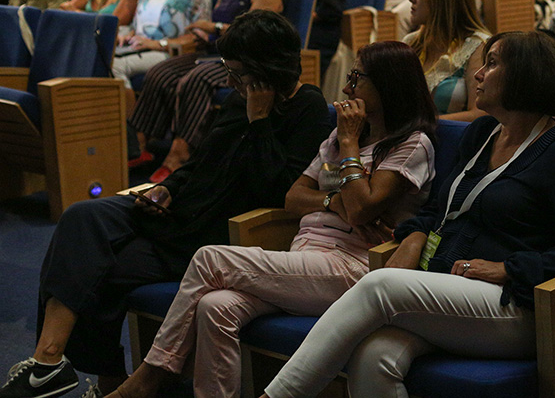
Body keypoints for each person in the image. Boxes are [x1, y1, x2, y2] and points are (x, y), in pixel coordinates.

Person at [259, 30, 555, 398]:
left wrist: (509, 269)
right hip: (452, 287)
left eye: (491, 64)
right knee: (373, 355)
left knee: (379, 284)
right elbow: (440, 209)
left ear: (525, 76)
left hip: (514, 305)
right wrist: (413, 237)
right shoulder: (483, 134)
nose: (478, 73)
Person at [0, 11, 331, 398]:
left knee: (100, 269)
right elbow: (199, 161)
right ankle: (48, 362)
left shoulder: (307, 109)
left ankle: (106, 378)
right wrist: (169, 187)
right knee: (81, 217)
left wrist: (259, 120)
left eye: (238, 73)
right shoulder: (238, 99)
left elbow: (275, 189)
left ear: (266, 72)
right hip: (177, 208)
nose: (229, 81)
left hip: (214, 232)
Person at [106, 40, 437, 398]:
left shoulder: (411, 144)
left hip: (353, 269)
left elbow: (359, 208)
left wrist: (350, 145)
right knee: (214, 306)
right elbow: (293, 197)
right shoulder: (338, 137)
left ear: (388, 84)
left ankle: (150, 377)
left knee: (209, 257)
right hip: (301, 258)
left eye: (357, 78)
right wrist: (331, 199)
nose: (346, 88)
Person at [128, 0, 286, 181]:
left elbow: (254, 34)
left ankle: (179, 153)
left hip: (247, 61)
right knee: (161, 71)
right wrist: (207, 34)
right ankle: (140, 147)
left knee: (196, 78)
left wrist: (215, 28)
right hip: (216, 51)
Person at [404, 0, 491, 119]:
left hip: (453, 141)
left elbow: (481, 115)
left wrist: (421, 126)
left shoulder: (479, 46)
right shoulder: (410, 43)